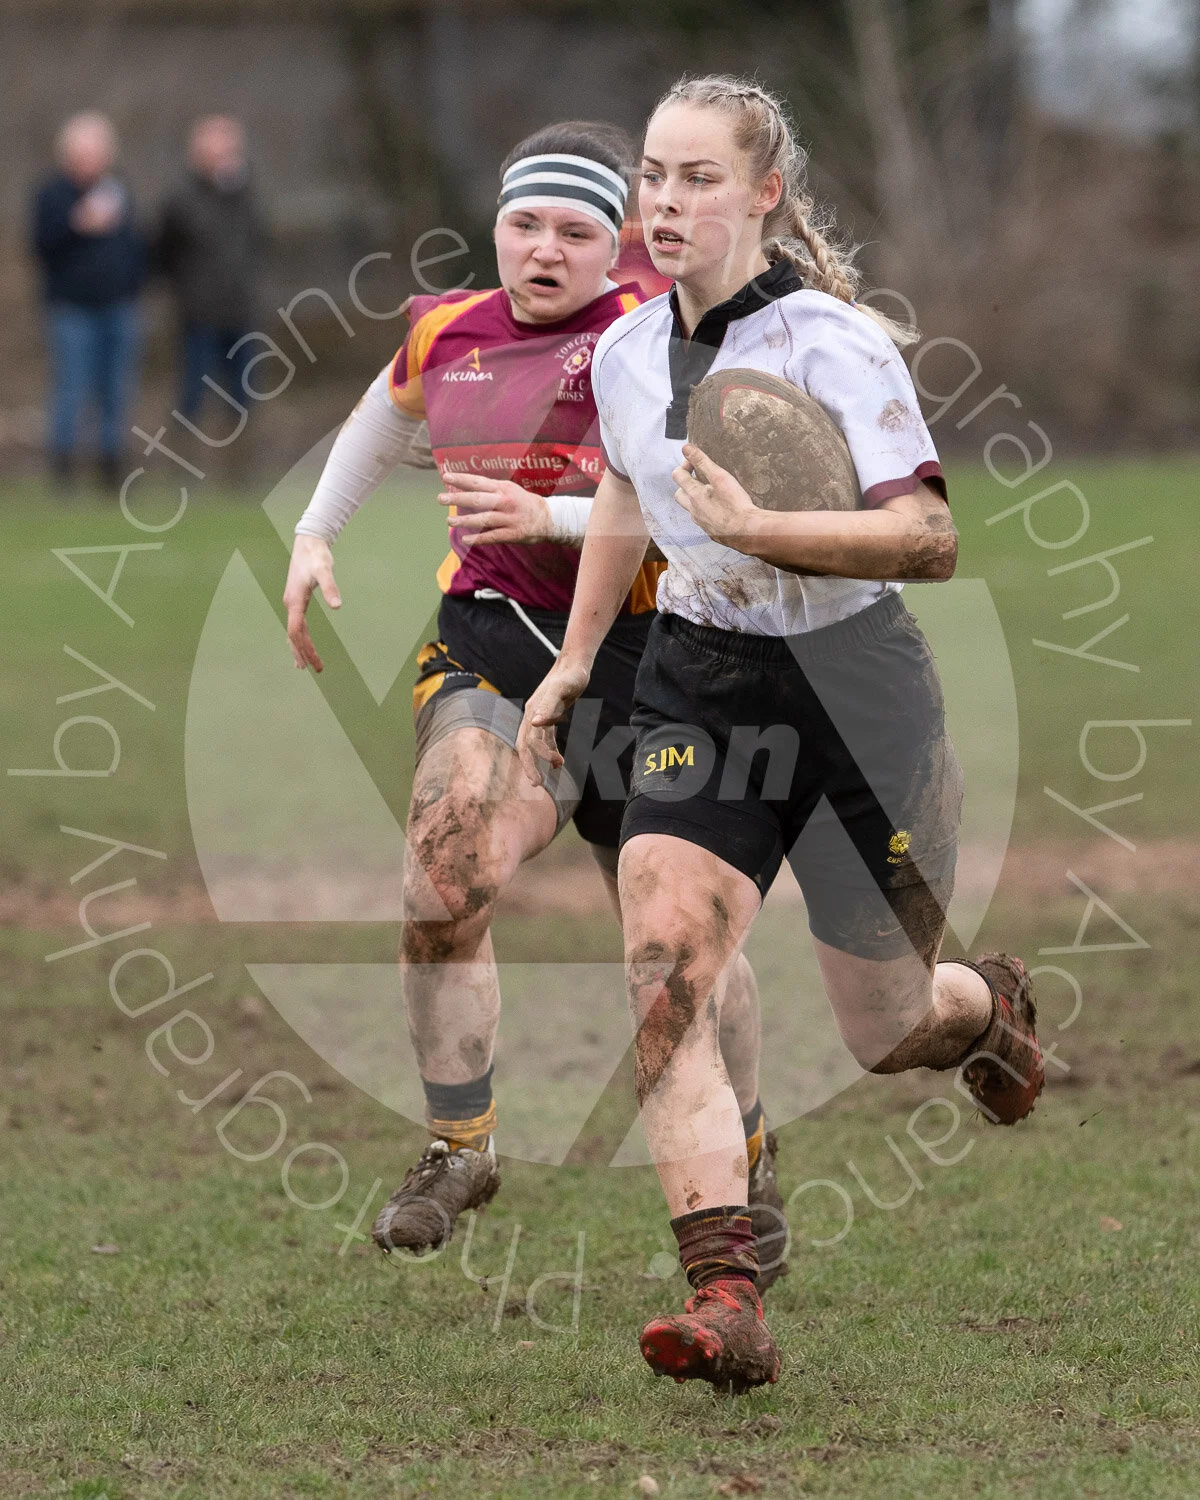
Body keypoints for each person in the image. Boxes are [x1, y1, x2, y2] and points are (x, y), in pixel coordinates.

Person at [518, 76, 1045, 1392]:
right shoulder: (633, 352)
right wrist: (578, 664)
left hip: (858, 688)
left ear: (763, 195)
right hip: (703, 680)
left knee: (885, 1028)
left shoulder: (834, 344)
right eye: (654, 175)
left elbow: (928, 535)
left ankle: (986, 1015)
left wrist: (765, 532)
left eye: (700, 178)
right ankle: (726, 1293)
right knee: (664, 965)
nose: (669, 202)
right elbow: (631, 499)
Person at [283, 120, 787, 1283]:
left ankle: (748, 1151)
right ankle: (460, 1145)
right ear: (496, 228)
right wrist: (313, 535)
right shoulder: (445, 329)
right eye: (524, 224)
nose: (544, 249)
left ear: (616, 243)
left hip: (659, 664)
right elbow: (378, 424)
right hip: (494, 650)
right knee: (444, 870)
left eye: (574, 229)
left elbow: (708, 503)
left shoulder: (656, 336)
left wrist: (549, 518)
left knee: (686, 944)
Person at [31, 112, 147, 490]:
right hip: (72, 308)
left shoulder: (119, 190)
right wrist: (76, 224)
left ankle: (111, 467)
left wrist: (134, 285)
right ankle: (62, 468)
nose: (90, 160)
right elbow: (41, 247)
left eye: (96, 151)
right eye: (82, 152)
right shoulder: (51, 195)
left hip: (118, 305)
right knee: (71, 388)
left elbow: (133, 246)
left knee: (116, 388)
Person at [156, 115, 263, 422]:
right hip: (198, 311)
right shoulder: (181, 198)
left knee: (244, 394)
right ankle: (187, 454)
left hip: (242, 307)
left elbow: (257, 242)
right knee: (193, 390)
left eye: (227, 151)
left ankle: (241, 458)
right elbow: (165, 251)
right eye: (213, 152)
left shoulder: (246, 193)